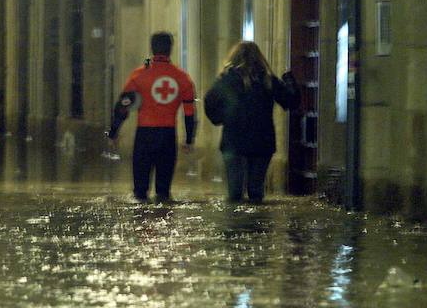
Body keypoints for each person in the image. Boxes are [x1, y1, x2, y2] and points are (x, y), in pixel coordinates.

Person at [204, 41, 299, 203]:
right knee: (256, 191)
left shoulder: (226, 80)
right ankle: (255, 227)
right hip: (262, 142)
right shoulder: (268, 80)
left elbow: (209, 102)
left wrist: (220, 119)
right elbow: (291, 102)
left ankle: (235, 225)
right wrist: (290, 81)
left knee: (234, 193)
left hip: (233, 143)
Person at [107, 32, 197, 203]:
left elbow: (123, 106)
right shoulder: (182, 77)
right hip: (168, 136)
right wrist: (189, 139)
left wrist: (113, 133)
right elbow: (190, 112)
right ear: (171, 49)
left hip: (144, 136)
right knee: (163, 193)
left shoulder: (139, 74)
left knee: (139, 193)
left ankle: (140, 226)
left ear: (152, 48)